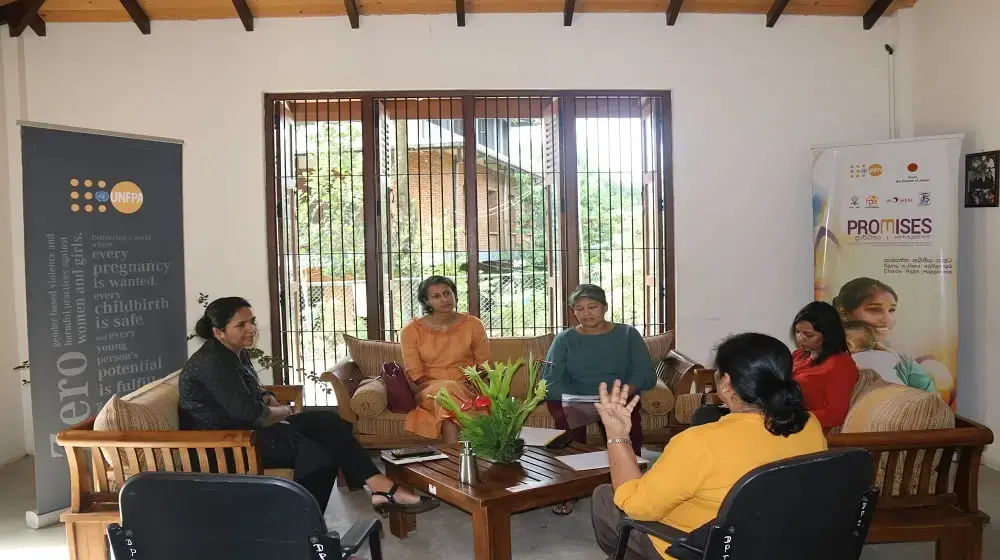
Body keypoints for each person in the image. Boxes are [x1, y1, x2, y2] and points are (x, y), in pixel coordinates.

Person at [179, 297, 438, 517]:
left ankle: (377, 486)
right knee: (321, 453)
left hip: (245, 429)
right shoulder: (212, 363)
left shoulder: (233, 351)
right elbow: (254, 416)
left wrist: (268, 396)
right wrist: (286, 411)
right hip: (224, 443)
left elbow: (249, 390)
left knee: (329, 421)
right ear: (218, 332)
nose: (251, 329)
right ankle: (305, 525)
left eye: (252, 322)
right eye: (241, 325)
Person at [590, 333, 828, 560]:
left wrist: (616, 433)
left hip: (702, 549)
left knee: (606, 497)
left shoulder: (700, 442)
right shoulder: (809, 424)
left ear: (725, 383)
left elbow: (636, 507)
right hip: (782, 542)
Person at [542, 284, 655, 515]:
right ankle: (569, 489)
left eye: (592, 307)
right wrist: (573, 400)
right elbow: (551, 379)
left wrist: (619, 396)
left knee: (626, 430)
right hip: (576, 397)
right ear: (573, 312)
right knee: (568, 436)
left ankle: (633, 486)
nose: (586, 313)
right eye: (579, 309)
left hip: (615, 397)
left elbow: (643, 372)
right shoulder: (564, 339)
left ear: (604, 307)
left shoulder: (627, 334)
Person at [691, 302, 860, 432]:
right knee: (706, 413)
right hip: (768, 415)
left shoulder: (841, 364)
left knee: (709, 417)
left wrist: (788, 417)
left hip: (794, 425)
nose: (800, 338)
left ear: (828, 335)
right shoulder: (799, 355)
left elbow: (835, 414)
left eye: (808, 334)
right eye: (797, 331)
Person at [400, 276, 491, 442]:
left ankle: (453, 464)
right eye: (436, 296)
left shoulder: (473, 325)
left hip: (468, 387)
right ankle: (487, 438)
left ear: (454, 295)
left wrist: (468, 384)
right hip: (429, 390)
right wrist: (452, 386)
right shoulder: (411, 331)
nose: (444, 299)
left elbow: (483, 365)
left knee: (448, 417)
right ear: (426, 302)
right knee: (447, 390)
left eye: (447, 293)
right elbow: (417, 375)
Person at [833, 277, 937, 393]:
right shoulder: (820, 357)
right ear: (843, 312)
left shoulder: (904, 362)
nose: (888, 320)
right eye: (875, 310)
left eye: (892, 310)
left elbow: (935, 405)